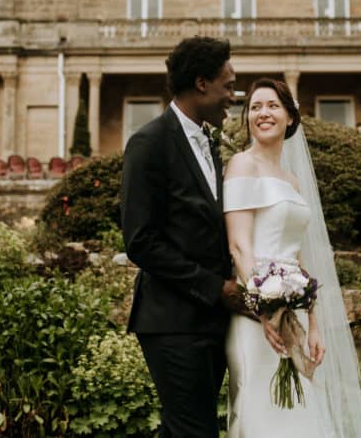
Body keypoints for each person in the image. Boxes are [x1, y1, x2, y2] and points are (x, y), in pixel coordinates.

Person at [223, 78, 361, 437]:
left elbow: (298, 254)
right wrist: (264, 308)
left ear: (290, 118)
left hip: (296, 314)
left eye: (273, 106)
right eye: (256, 107)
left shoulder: (291, 181)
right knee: (260, 414)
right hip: (256, 317)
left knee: (301, 413)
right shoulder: (242, 166)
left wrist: (315, 323)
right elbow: (239, 246)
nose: (263, 113)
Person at [120, 36, 244, 437]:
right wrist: (215, 287)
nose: (233, 95)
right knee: (196, 432)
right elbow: (140, 240)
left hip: (211, 321)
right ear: (202, 83)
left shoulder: (209, 140)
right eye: (228, 85)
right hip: (171, 322)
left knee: (184, 430)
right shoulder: (149, 143)